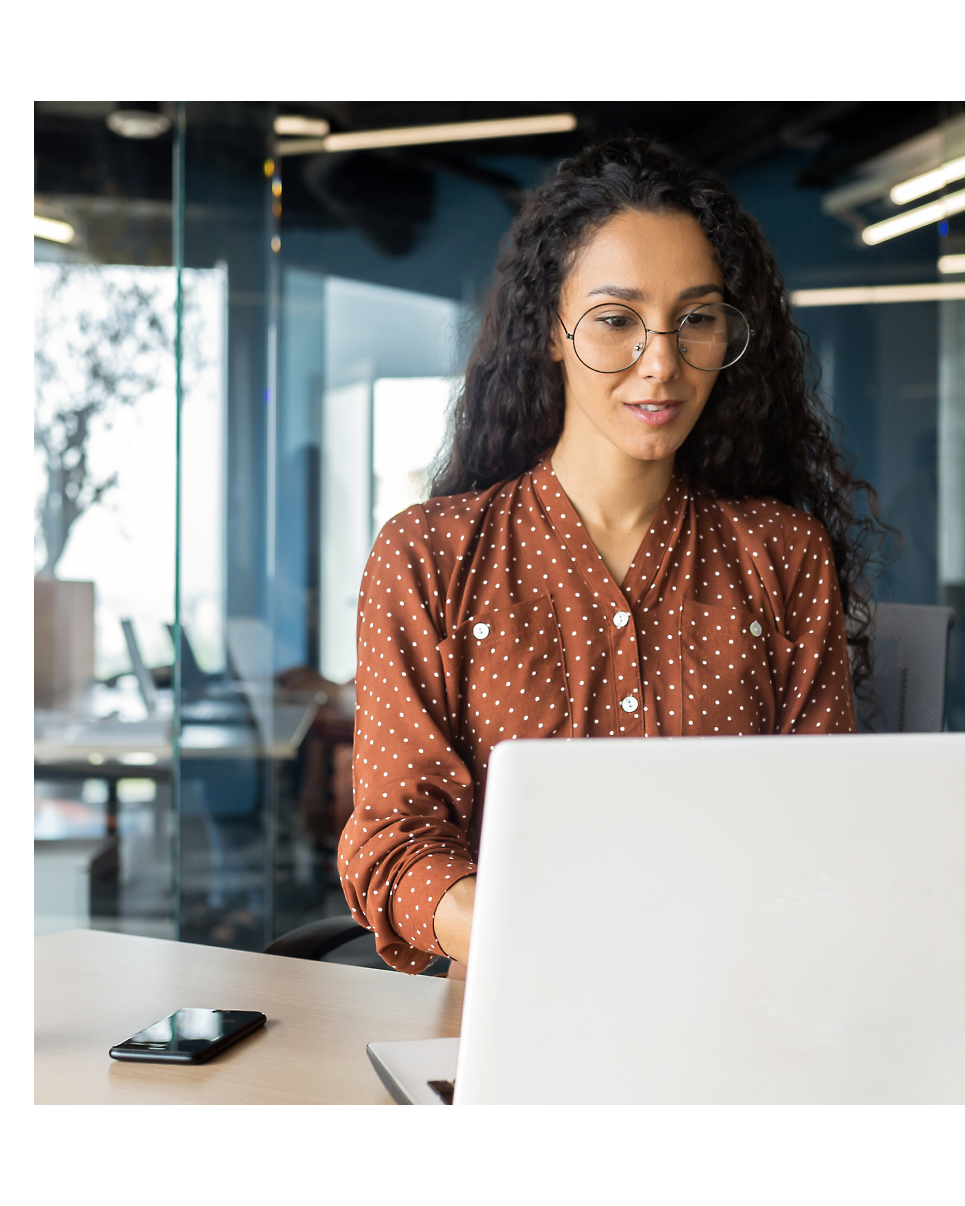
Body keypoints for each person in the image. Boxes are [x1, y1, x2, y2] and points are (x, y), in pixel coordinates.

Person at [339, 139, 882, 974]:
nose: (661, 364)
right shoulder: (430, 555)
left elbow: (824, 831)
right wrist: (550, 943)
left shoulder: (783, 556)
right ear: (550, 332)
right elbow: (393, 843)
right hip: (509, 1016)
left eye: (696, 318)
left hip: (734, 1006)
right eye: (617, 320)